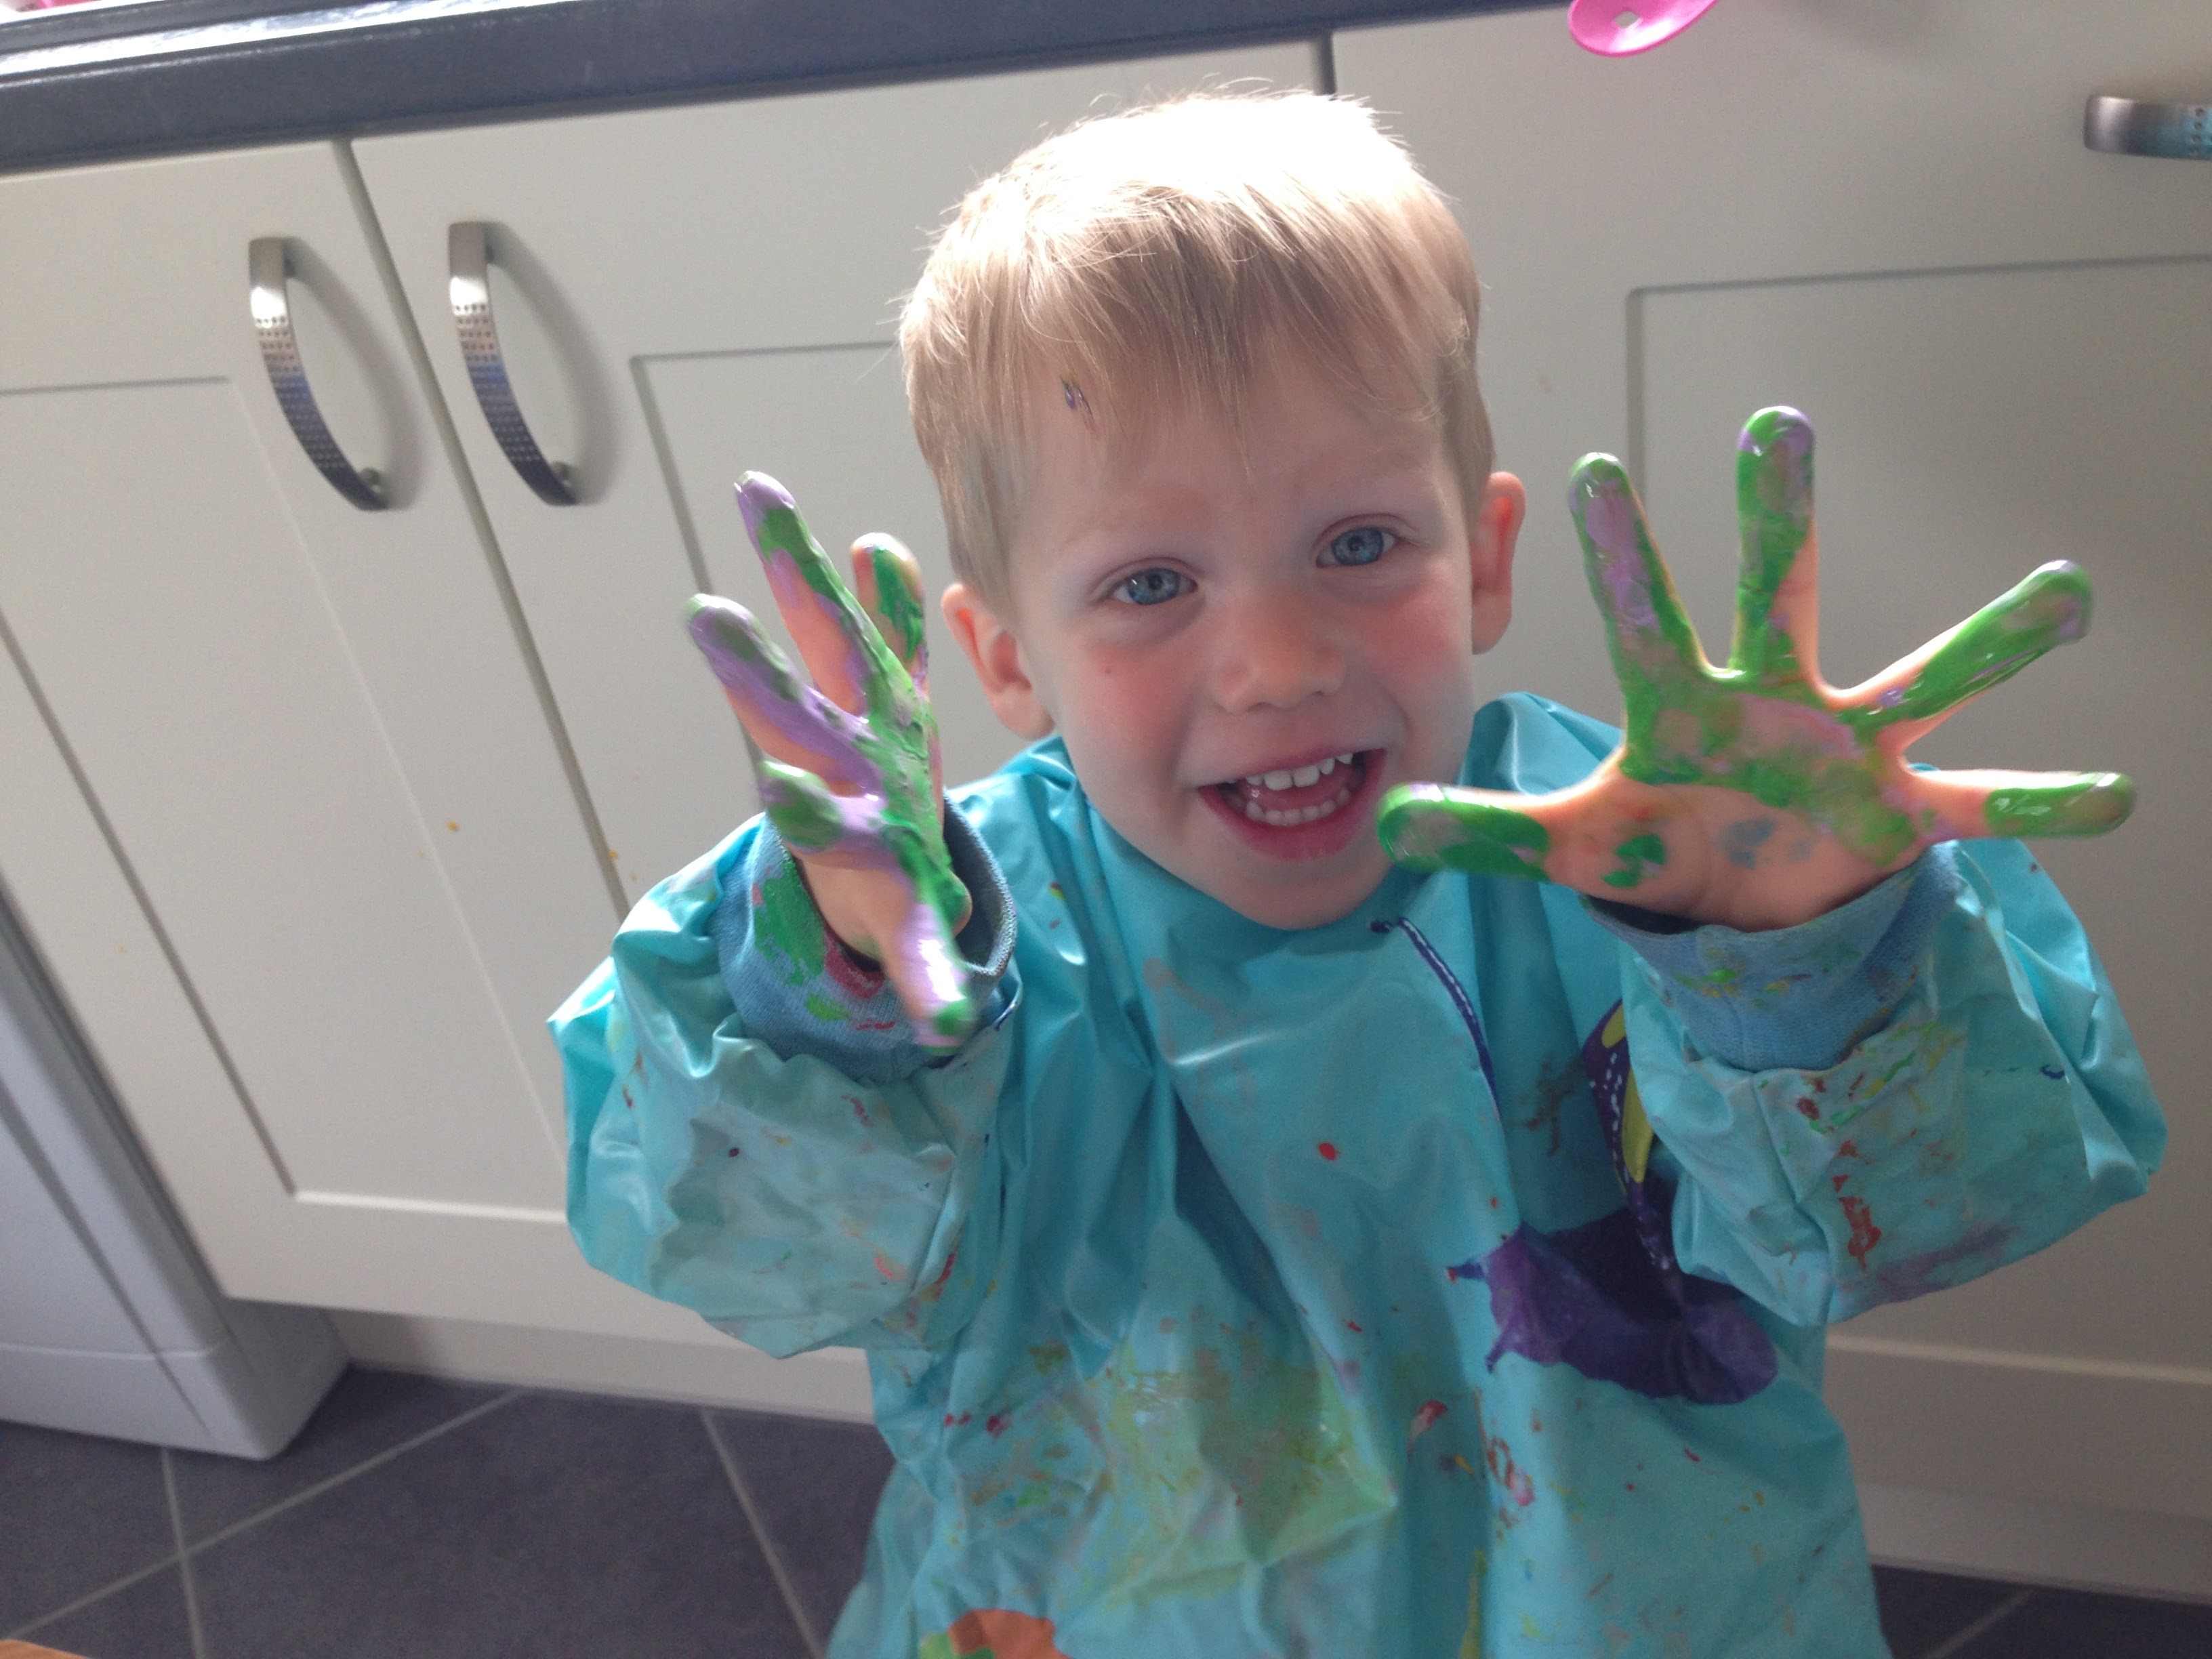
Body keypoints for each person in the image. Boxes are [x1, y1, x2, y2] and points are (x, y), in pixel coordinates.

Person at [552, 92, 2163, 1658]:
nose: (1274, 660)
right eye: (1150, 581)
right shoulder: (962, 940)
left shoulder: (1663, 860)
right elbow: (759, 1246)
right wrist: (841, 997)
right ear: (1004, 656)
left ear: (1486, 553)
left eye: (1358, 545)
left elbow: (1932, 1209)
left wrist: (1801, 953)